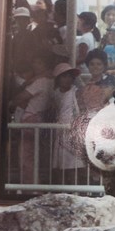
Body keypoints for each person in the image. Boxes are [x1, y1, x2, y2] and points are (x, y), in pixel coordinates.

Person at [12, 55, 54, 184]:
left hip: (31, 118)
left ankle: (29, 185)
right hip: (41, 118)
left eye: (39, 63)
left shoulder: (40, 82)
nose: (36, 66)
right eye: (35, 62)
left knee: (26, 155)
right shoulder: (51, 80)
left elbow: (20, 98)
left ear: (46, 65)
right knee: (36, 154)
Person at [51, 63, 85, 184]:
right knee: (61, 163)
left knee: (75, 162)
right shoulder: (55, 93)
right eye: (64, 76)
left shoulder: (75, 92)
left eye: (69, 76)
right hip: (60, 130)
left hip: (73, 130)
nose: (67, 79)